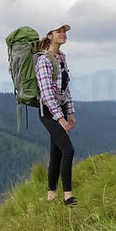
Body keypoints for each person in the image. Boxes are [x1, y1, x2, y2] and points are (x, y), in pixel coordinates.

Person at [35, 24, 77, 205]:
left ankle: (51, 194)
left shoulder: (61, 58)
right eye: (59, 31)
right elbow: (46, 93)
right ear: (50, 35)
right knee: (68, 150)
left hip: (59, 110)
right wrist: (60, 118)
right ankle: (68, 196)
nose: (63, 34)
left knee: (57, 152)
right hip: (48, 112)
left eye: (65, 31)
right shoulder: (44, 60)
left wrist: (71, 112)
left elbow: (64, 88)